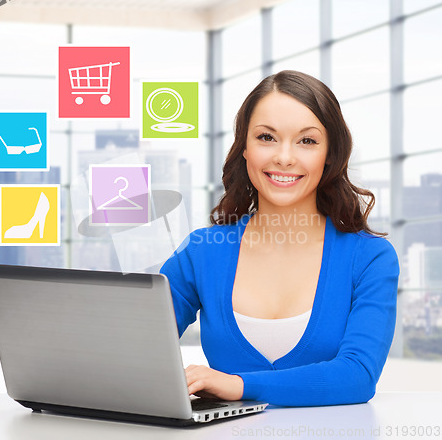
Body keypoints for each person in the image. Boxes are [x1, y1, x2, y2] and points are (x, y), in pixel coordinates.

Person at [160, 70, 399, 407]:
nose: (284, 157)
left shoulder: (370, 257)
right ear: (245, 147)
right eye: (267, 137)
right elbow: (136, 347)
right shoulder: (202, 251)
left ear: (330, 154)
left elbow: (357, 376)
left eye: (307, 141)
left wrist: (238, 385)